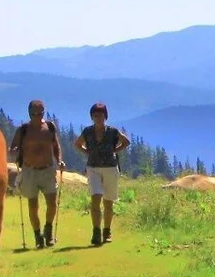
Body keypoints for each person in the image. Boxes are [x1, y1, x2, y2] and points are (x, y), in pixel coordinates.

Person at [9, 99, 64, 249]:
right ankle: (38, 236)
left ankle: (48, 230)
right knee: (33, 206)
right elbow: (12, 149)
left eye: (40, 113)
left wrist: (59, 160)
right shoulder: (23, 130)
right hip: (30, 170)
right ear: (29, 113)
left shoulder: (50, 127)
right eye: (34, 113)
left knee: (52, 204)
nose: (37, 116)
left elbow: (55, 145)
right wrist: (16, 151)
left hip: (48, 169)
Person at [74, 102, 130, 245]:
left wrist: (114, 150)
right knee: (95, 199)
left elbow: (126, 142)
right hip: (93, 168)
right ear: (92, 116)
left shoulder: (112, 131)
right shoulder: (87, 132)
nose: (98, 117)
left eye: (101, 115)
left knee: (108, 202)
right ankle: (96, 232)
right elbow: (77, 144)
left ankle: (107, 231)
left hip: (110, 168)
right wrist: (87, 152)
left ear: (105, 116)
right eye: (95, 115)